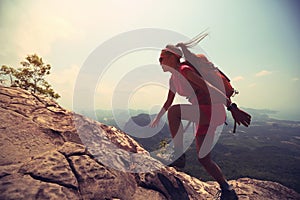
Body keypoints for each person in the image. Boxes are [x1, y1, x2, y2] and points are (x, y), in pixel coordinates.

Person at [150, 42, 251, 200]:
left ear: (173, 57)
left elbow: (210, 88)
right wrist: (157, 118)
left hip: (212, 110)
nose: (160, 61)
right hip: (202, 113)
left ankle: (179, 155)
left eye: (162, 57)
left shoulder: (185, 71)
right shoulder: (173, 79)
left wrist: (232, 107)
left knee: (175, 112)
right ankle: (227, 189)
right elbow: (168, 101)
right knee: (204, 159)